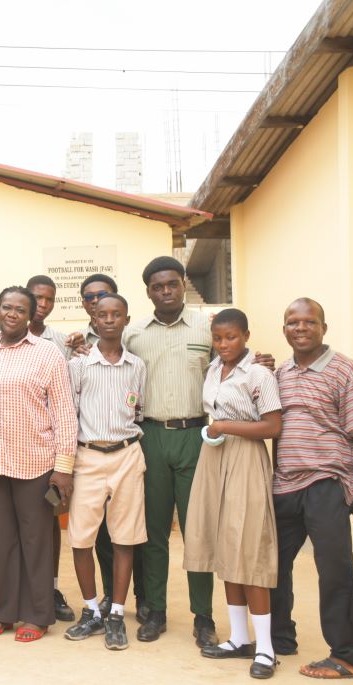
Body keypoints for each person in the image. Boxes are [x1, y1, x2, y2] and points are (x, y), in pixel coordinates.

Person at [0, 286, 77, 642]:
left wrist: (63, 467)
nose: (12, 313)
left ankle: (38, 615)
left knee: (36, 541)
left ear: (30, 315)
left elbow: (64, 412)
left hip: (35, 462)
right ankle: (4, 612)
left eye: (20, 309)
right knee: (0, 543)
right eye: (6, 307)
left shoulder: (47, 353)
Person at [271, 298, 353, 680]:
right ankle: (279, 638)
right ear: (284, 329)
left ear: (323, 328)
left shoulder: (346, 370)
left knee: (334, 572)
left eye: (309, 321)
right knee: (272, 567)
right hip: (284, 485)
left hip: (327, 484)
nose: (300, 328)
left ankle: (348, 656)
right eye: (292, 322)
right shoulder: (279, 373)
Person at [182, 308, 283, 679]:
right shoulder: (213, 370)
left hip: (245, 458)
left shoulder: (258, 373)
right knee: (226, 546)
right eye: (218, 338)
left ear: (246, 336)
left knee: (249, 549)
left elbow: (272, 426)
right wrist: (218, 429)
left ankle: (265, 648)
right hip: (214, 457)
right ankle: (239, 638)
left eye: (232, 337)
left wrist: (225, 425)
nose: (224, 344)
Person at [125, 256, 219, 647]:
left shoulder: (207, 329)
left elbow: (231, 367)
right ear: (148, 291)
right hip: (150, 436)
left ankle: (204, 617)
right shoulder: (134, 334)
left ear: (182, 284)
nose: (166, 291)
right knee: (154, 532)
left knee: (197, 531)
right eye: (157, 286)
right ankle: (156, 611)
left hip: (195, 435)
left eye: (172, 284)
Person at [62, 292, 147, 650]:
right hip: (88, 456)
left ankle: (116, 614)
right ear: (93, 320)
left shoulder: (137, 366)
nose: (109, 320)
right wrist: (65, 466)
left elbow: (138, 410)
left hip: (127, 454)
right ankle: (91, 610)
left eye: (116, 314)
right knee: (81, 538)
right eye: (102, 315)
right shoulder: (78, 365)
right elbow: (69, 416)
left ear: (126, 319)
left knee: (124, 538)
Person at [26, 274, 76, 624]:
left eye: (48, 299)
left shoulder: (61, 343)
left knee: (50, 521)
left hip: (49, 449)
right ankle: (25, 591)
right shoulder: (3, 336)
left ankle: (52, 589)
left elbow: (64, 401)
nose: (42, 305)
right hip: (15, 447)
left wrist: (63, 459)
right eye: (37, 298)